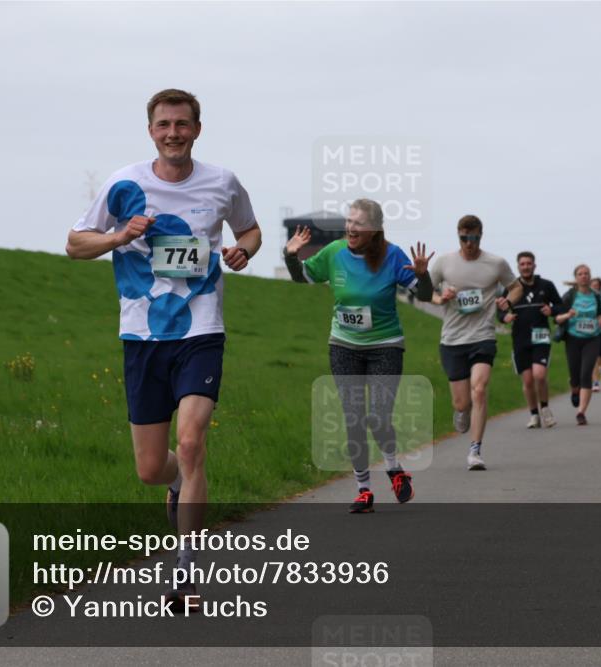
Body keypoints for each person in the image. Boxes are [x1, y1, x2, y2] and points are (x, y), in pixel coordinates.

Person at [67, 88, 262, 608]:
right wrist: (117, 237)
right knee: (152, 468)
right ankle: (176, 484)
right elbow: (74, 243)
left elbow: (251, 229)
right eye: (163, 125)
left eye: (182, 124)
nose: (173, 133)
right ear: (151, 131)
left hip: (201, 330)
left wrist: (242, 250)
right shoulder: (123, 183)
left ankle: (187, 574)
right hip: (143, 337)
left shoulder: (222, 182)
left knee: (194, 442)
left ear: (197, 128)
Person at [284, 198, 433, 512]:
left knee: (378, 417)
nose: (351, 228)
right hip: (343, 346)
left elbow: (424, 295)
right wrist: (291, 256)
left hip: (385, 346)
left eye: (359, 223)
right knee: (353, 418)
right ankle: (363, 490)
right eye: (349, 221)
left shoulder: (392, 256)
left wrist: (424, 275)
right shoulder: (334, 252)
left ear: (375, 229)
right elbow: (301, 277)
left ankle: (393, 467)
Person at [430, 216, 523, 470]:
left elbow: (516, 287)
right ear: (458, 235)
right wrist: (441, 297)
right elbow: (425, 290)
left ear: (481, 236)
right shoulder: (444, 263)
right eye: (464, 238)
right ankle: (461, 412)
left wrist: (508, 301)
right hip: (452, 339)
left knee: (479, 390)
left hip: (482, 336)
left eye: (474, 238)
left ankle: (475, 450)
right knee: (462, 403)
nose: (469, 244)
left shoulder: (495, 263)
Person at [496, 251, 562, 432]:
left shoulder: (546, 285)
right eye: (522, 264)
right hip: (520, 339)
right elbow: (500, 311)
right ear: (518, 267)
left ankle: (546, 409)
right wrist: (505, 317)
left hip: (541, 338)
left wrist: (552, 310)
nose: (526, 267)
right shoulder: (511, 289)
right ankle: (534, 414)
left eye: (529, 263)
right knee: (527, 380)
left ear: (534, 265)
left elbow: (561, 305)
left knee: (539, 375)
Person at [555, 264, 601, 425]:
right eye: (580, 274)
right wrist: (568, 315)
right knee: (575, 375)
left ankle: (581, 412)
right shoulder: (569, 296)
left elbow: (599, 316)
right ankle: (575, 389)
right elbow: (557, 318)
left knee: (586, 373)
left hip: (592, 338)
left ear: (590, 277)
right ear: (576, 277)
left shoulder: (596, 296)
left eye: (586, 273)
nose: (584, 276)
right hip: (573, 339)